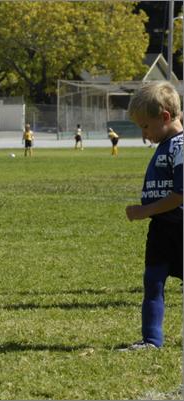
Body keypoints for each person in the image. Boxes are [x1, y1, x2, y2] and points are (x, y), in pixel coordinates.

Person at [123, 81, 183, 351]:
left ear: (165, 117)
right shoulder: (165, 143)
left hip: (180, 227)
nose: (144, 134)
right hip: (161, 229)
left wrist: (143, 211)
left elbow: (180, 194)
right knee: (153, 282)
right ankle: (151, 340)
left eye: (146, 126)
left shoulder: (180, 146)